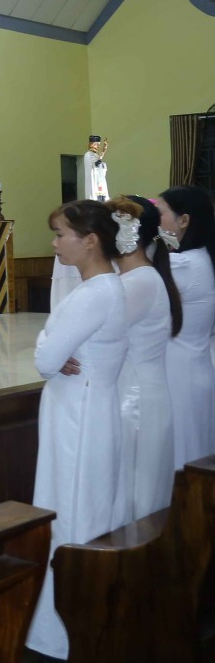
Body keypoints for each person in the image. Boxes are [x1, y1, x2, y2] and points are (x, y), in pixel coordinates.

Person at [26, 200, 130, 659]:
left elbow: (46, 360)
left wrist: (46, 343)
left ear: (89, 241)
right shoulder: (109, 286)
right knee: (87, 509)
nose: (54, 244)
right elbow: (52, 351)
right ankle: (85, 626)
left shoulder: (92, 294)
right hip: (92, 408)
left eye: (60, 234)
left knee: (69, 515)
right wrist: (50, 343)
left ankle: (60, 635)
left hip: (78, 419)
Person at [109, 196, 179, 518]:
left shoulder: (138, 282)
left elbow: (96, 335)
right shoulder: (139, 278)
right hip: (137, 388)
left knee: (134, 490)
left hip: (134, 397)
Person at [157, 185, 215, 467]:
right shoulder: (200, 258)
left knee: (181, 461)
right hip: (193, 368)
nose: (155, 220)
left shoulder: (183, 265)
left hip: (178, 375)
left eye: (160, 213)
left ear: (184, 220)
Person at [84, 136, 110, 201]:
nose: (98, 146)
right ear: (92, 144)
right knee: (95, 197)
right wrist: (103, 151)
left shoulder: (96, 155)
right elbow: (94, 165)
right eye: (97, 144)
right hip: (94, 180)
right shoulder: (88, 154)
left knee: (102, 196)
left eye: (99, 144)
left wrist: (103, 166)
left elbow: (99, 165)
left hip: (99, 179)